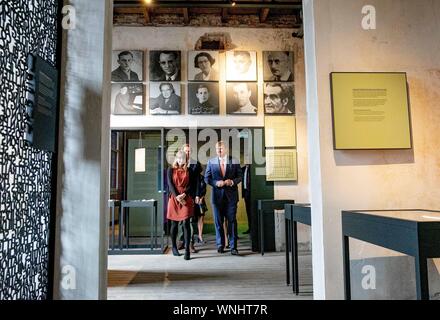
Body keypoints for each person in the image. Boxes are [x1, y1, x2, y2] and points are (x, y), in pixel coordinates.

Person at [204, 141, 242, 255]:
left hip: (231, 197)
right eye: (217, 149)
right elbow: (207, 178)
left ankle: (233, 247)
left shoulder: (234, 161)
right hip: (217, 198)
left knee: (232, 221)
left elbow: (240, 176)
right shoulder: (211, 162)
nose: (218, 151)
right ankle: (220, 245)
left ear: (225, 149)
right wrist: (215, 183)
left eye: (220, 149)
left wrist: (232, 182)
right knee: (218, 222)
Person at [167, 150, 194, 260]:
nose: (180, 160)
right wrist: (177, 196)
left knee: (186, 223)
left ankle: (187, 250)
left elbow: (192, 185)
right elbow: (170, 184)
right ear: (176, 159)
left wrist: (184, 195)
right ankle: (174, 247)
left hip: (186, 198)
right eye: (179, 158)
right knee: (174, 224)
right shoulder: (170, 169)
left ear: (186, 159)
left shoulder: (190, 170)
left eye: (182, 158)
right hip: (174, 197)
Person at [177, 144, 203, 253]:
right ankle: (181, 240)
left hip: (191, 195)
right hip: (180, 196)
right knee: (180, 220)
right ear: (182, 151)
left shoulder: (195, 164)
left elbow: (198, 182)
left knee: (191, 220)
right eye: (185, 151)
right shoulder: (178, 163)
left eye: (189, 151)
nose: (187, 153)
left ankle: (190, 243)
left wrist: (198, 195)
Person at [241, 164, 251, 234]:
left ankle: (254, 229)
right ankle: (250, 228)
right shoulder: (243, 169)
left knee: (252, 211)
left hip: (252, 192)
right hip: (245, 193)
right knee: (248, 211)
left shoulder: (252, 168)